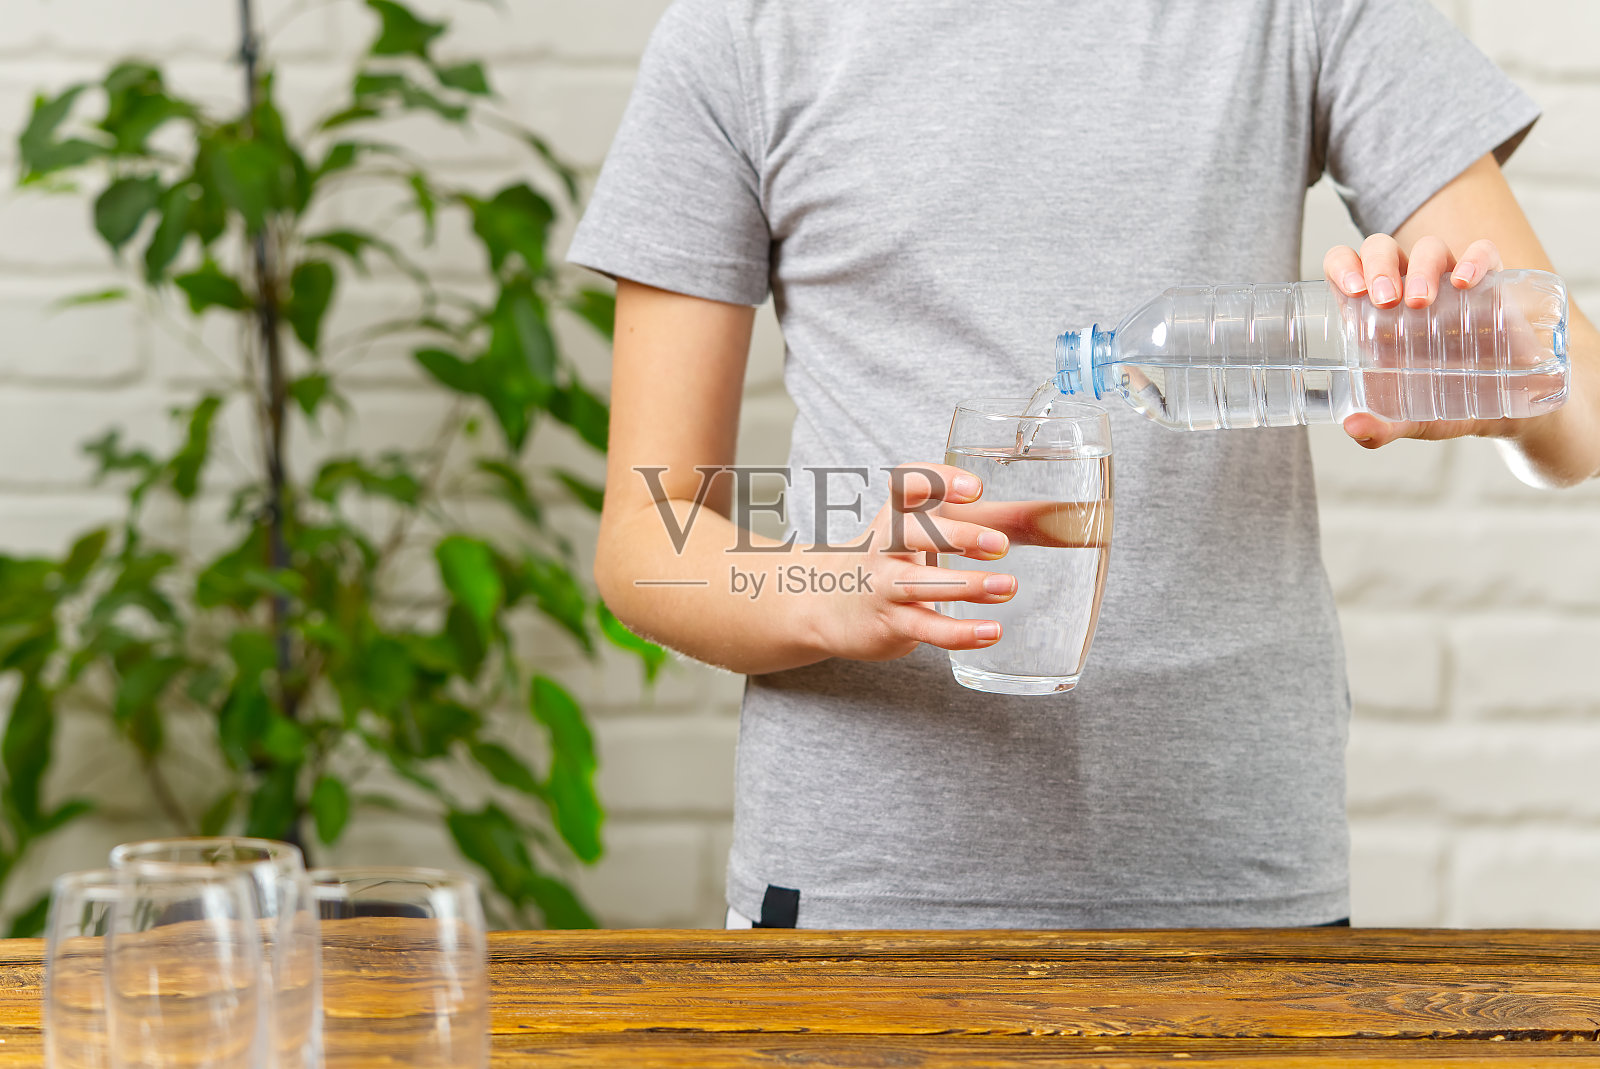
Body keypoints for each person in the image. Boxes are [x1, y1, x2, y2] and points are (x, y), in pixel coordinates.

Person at [567, 0, 1600, 929]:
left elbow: (1580, 412)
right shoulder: (742, 34)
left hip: (1240, 882)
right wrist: (834, 586)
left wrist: (1463, 348)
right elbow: (648, 540)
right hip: (868, 891)